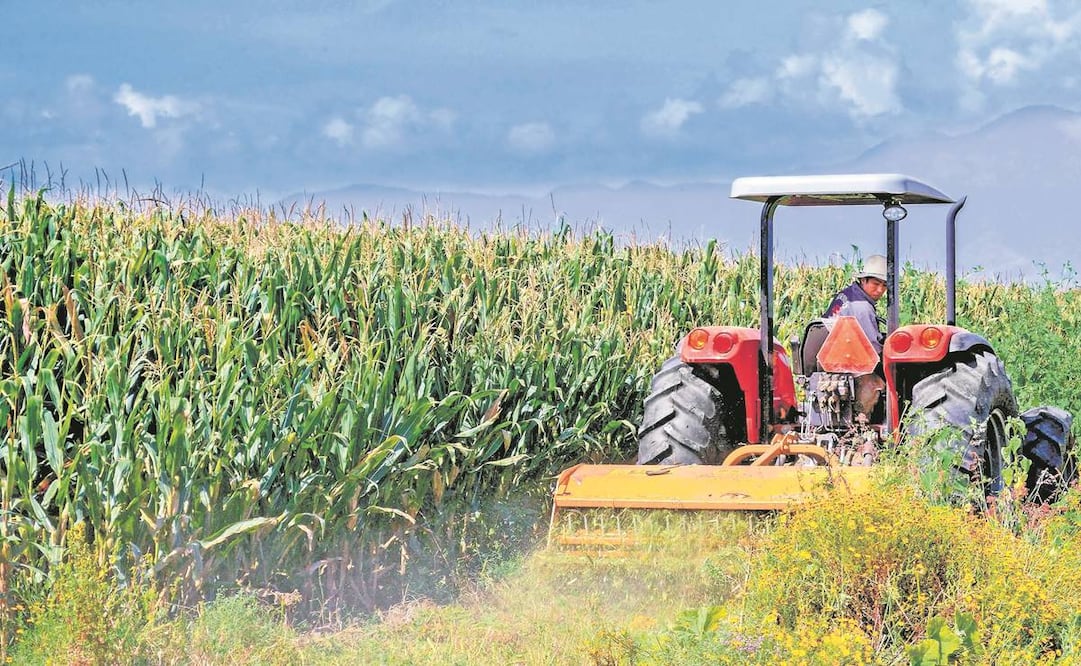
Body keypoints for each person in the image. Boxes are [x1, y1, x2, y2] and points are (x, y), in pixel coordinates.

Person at [823, 254, 887, 354]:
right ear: (863, 280)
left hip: (829, 350)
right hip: (841, 356)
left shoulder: (846, 293)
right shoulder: (863, 307)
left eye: (885, 285)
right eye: (876, 284)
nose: (880, 290)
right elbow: (872, 349)